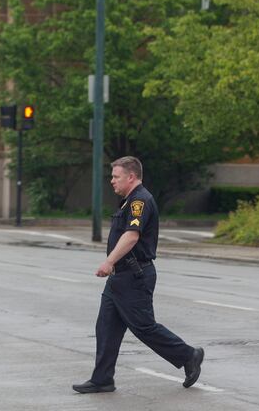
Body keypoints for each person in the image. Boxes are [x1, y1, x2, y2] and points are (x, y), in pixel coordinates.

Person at [73, 156, 204, 394]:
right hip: (120, 278)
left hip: (134, 276)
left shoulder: (139, 201)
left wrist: (109, 261)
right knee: (106, 327)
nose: (112, 181)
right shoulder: (128, 201)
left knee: (144, 327)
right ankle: (102, 379)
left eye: (116, 176)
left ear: (131, 177)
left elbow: (132, 236)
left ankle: (189, 355)